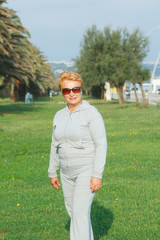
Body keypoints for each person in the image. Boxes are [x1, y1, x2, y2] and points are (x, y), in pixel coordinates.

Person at [48, 71, 107, 240]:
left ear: (81, 90)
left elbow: (101, 144)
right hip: (66, 173)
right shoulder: (59, 116)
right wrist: (52, 172)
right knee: (74, 212)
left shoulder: (92, 113)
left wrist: (97, 175)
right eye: (67, 90)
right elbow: (54, 145)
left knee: (79, 212)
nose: (72, 93)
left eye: (76, 89)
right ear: (62, 92)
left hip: (86, 170)